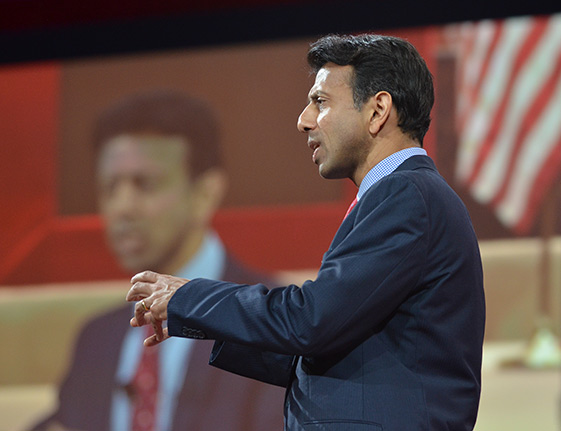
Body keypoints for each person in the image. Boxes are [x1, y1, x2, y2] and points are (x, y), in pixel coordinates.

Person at [127, 34, 486, 431]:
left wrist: (191, 297)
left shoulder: (406, 194)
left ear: (378, 110)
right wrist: (198, 317)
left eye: (321, 102)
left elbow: (311, 321)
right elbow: (330, 346)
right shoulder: (405, 195)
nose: (303, 120)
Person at [30, 90, 285, 431]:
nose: (122, 207)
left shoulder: (269, 321)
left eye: (144, 184)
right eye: (109, 188)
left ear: (204, 194)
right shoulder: (95, 340)